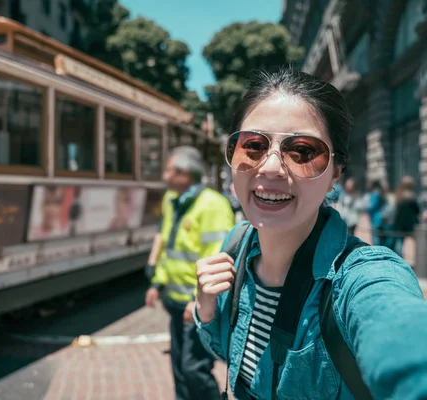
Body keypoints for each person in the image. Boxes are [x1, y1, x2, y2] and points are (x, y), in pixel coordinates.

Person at [193, 68, 427, 400]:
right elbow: (227, 354)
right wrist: (205, 309)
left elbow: (400, 336)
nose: (270, 167)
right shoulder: (236, 243)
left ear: (335, 174)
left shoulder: (361, 277)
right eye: (253, 146)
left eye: (303, 152)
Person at [145, 145, 234, 400]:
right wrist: (157, 283)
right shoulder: (172, 201)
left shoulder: (213, 205)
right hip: (174, 302)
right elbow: (168, 247)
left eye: (169, 170)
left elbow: (216, 257)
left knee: (194, 368)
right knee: (179, 366)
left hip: (195, 306)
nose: (164, 176)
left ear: (185, 173)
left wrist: (199, 300)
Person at [388, 176, 420, 257]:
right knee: (419, 243)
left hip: (399, 224)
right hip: (411, 224)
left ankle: (398, 259)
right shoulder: (413, 197)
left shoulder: (398, 196)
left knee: (399, 244)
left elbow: (394, 210)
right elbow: (417, 210)